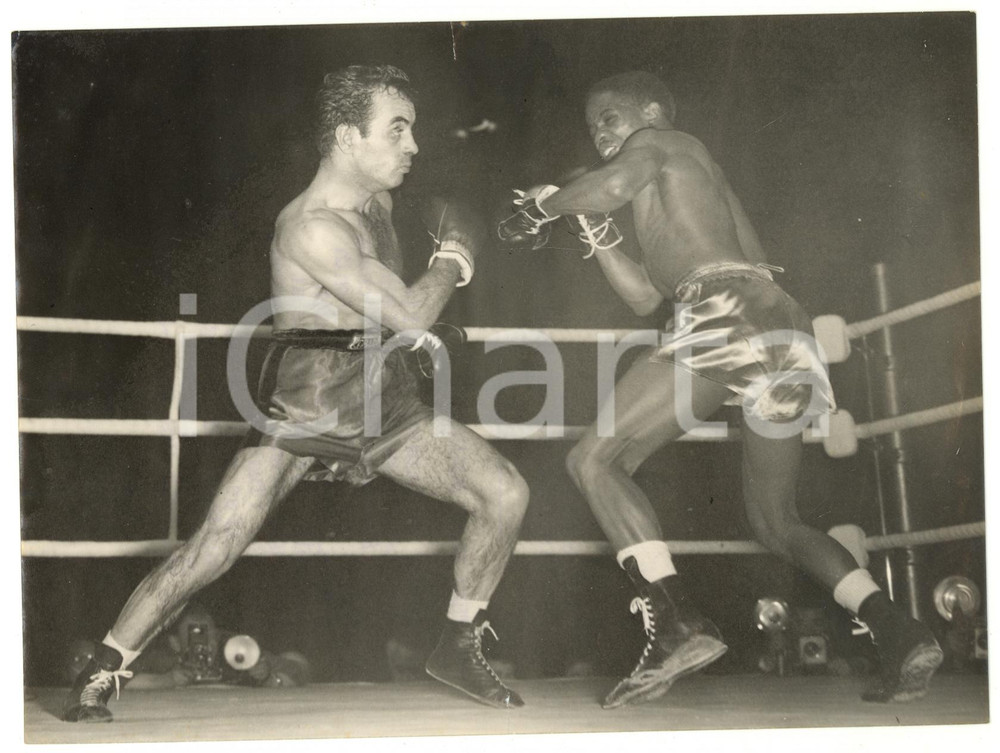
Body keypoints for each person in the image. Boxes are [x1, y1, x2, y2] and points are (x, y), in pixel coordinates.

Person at [63, 64, 528, 722]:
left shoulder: (381, 206)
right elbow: (415, 314)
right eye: (397, 130)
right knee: (215, 545)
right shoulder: (309, 228)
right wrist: (455, 253)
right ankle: (108, 666)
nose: (413, 146)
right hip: (308, 400)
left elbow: (395, 317)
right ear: (345, 136)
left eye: (414, 130)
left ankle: (458, 640)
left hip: (386, 396)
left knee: (505, 491)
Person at [497, 70, 942, 708]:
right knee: (776, 521)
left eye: (611, 118)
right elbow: (645, 295)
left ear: (650, 111)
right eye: (593, 124)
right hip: (780, 324)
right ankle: (900, 631)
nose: (601, 133)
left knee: (593, 459)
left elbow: (616, 183)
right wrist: (589, 229)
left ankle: (675, 619)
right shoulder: (682, 180)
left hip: (726, 309)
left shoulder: (664, 142)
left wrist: (542, 203)